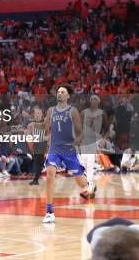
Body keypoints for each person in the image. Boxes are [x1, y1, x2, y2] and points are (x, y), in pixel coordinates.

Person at [43, 85, 94, 223]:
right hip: (54, 149)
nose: (59, 94)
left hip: (69, 150)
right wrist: (46, 141)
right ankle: (49, 211)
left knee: (81, 181)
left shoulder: (73, 111)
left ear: (68, 96)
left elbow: (79, 132)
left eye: (62, 92)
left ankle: (86, 185)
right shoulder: (51, 111)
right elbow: (46, 130)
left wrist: (76, 142)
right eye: (58, 92)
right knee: (49, 175)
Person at [80, 94, 103, 196]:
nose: (93, 101)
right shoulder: (84, 112)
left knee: (89, 164)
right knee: (83, 165)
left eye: (95, 99)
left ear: (98, 102)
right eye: (92, 99)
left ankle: (89, 187)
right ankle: (91, 185)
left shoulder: (100, 114)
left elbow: (97, 129)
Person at [26, 106, 48, 185]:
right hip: (35, 146)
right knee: (38, 163)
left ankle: (36, 180)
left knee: (40, 163)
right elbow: (29, 138)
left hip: (43, 146)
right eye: (36, 113)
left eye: (39, 113)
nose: (37, 115)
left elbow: (48, 137)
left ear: (42, 114)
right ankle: (36, 179)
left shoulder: (45, 124)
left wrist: (47, 150)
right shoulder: (30, 125)